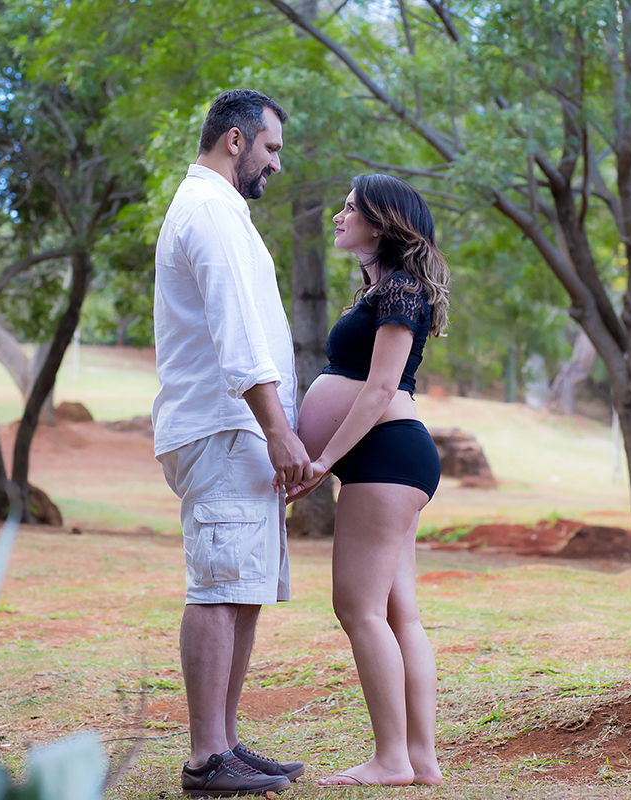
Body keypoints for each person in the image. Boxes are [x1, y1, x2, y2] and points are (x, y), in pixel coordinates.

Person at [152, 89, 311, 797]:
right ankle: (205, 756)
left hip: (236, 428)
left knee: (240, 586)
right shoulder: (211, 210)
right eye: (271, 148)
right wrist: (279, 431)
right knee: (218, 586)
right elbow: (236, 335)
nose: (276, 163)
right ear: (237, 141)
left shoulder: (224, 212)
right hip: (224, 427)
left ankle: (226, 742)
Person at [288, 174, 450, 787]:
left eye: (350, 209)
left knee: (357, 608)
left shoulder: (402, 291)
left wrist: (324, 459)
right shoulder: (386, 288)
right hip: (385, 458)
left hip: (384, 454)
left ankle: (391, 759)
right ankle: (421, 759)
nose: (337, 215)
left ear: (381, 223)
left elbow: (381, 388)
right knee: (397, 611)